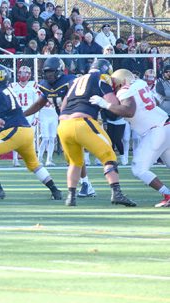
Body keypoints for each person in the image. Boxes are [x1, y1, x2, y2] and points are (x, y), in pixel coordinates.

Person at [0, 65, 63, 201]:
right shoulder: (7, 89)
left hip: (14, 130)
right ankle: (55, 190)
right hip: (26, 130)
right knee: (33, 164)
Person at [58, 59, 136, 207]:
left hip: (63, 124)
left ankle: (71, 197)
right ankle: (116, 193)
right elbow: (113, 104)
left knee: (75, 162)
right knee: (108, 155)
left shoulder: (76, 80)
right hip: (83, 122)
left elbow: (63, 105)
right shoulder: (102, 78)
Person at [90, 69, 170, 207]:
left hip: (155, 131)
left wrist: (105, 104)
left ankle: (167, 194)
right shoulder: (140, 83)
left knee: (139, 169)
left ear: (121, 82)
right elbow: (155, 102)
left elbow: (129, 111)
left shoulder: (123, 91)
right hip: (165, 124)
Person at [24, 57, 96, 198]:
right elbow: (40, 103)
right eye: (47, 72)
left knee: (75, 155)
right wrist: (23, 114)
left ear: (60, 71)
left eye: (51, 72)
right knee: (71, 156)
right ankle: (86, 184)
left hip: (77, 119)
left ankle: (87, 184)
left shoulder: (71, 81)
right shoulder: (46, 85)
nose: (48, 75)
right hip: (64, 122)